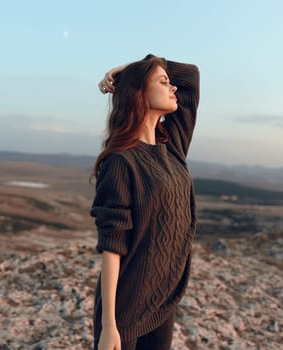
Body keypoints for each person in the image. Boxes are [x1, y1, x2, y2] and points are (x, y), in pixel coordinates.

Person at [90, 53, 200, 350]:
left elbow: (190, 76)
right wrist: (109, 326)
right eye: (164, 82)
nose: (173, 87)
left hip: (162, 301)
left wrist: (128, 68)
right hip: (124, 310)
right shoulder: (120, 161)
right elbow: (112, 246)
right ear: (139, 92)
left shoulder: (173, 145)